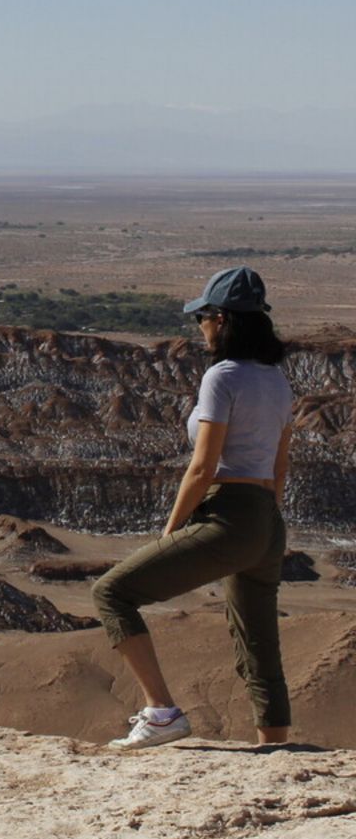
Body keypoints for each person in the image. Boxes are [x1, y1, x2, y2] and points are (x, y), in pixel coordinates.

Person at [92, 266, 294, 749]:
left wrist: (171, 532)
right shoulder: (278, 381)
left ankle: (161, 713)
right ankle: (279, 750)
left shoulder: (221, 377)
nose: (200, 326)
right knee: (261, 647)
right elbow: (280, 468)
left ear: (222, 319)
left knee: (113, 593)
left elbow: (202, 468)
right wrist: (266, 525)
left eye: (203, 316)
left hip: (228, 513)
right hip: (267, 519)